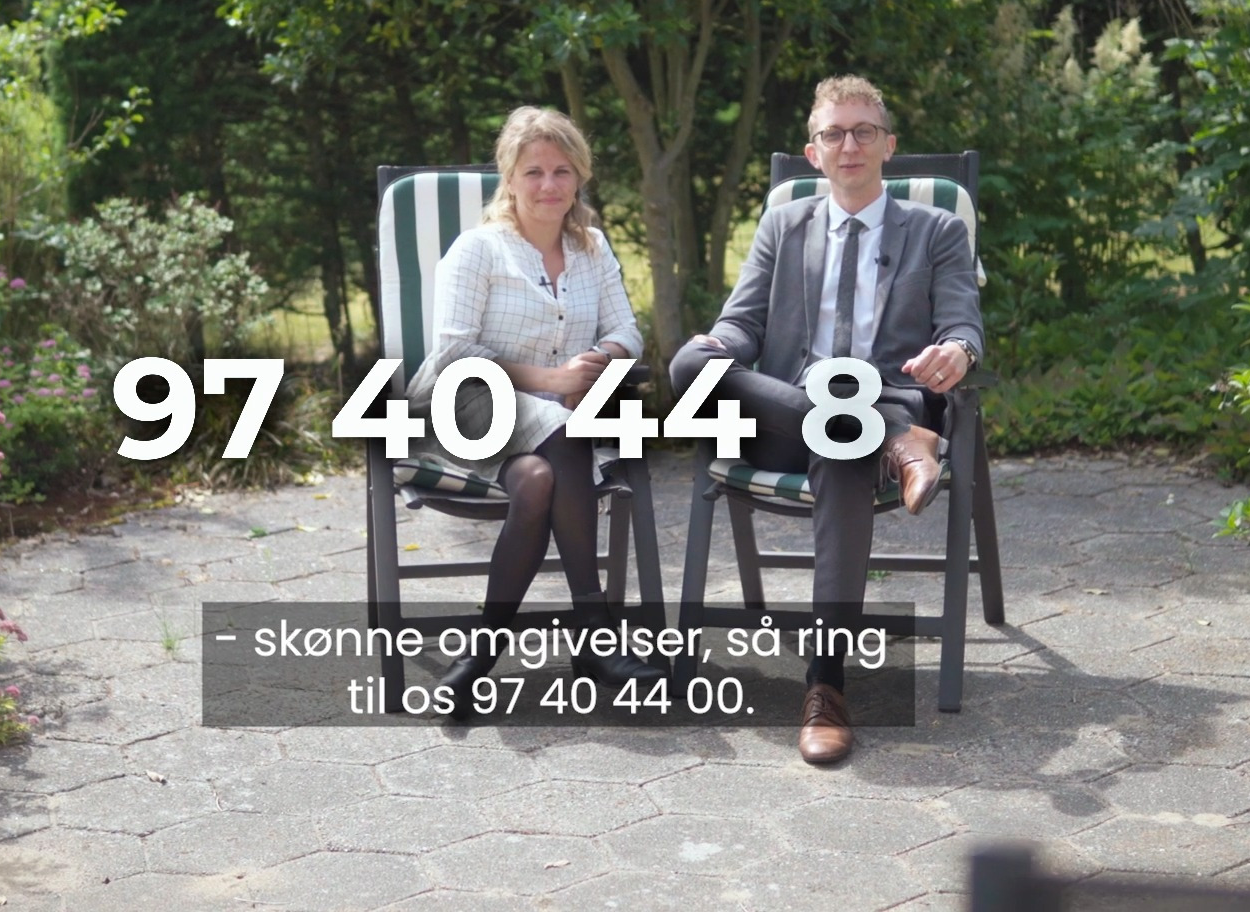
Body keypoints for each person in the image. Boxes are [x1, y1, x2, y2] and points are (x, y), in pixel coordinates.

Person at [669, 75, 984, 764]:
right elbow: (742, 324)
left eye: (864, 131)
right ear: (813, 153)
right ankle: (894, 438)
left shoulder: (936, 230)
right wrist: (718, 343)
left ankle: (826, 686)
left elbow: (963, 323)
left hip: (875, 407)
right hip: (788, 417)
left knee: (842, 444)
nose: (850, 145)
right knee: (690, 364)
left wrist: (958, 352)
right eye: (834, 134)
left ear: (888, 145)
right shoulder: (784, 225)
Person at [403, 106, 666, 717]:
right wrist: (554, 380)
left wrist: (594, 365)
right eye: (534, 172)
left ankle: (479, 654)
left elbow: (626, 331)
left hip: (544, 436)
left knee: (539, 479)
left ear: (579, 177)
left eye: (562, 171)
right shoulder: (479, 249)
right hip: (465, 406)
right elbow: (455, 354)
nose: (549, 185)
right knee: (566, 432)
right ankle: (596, 636)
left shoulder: (591, 248)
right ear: (510, 179)